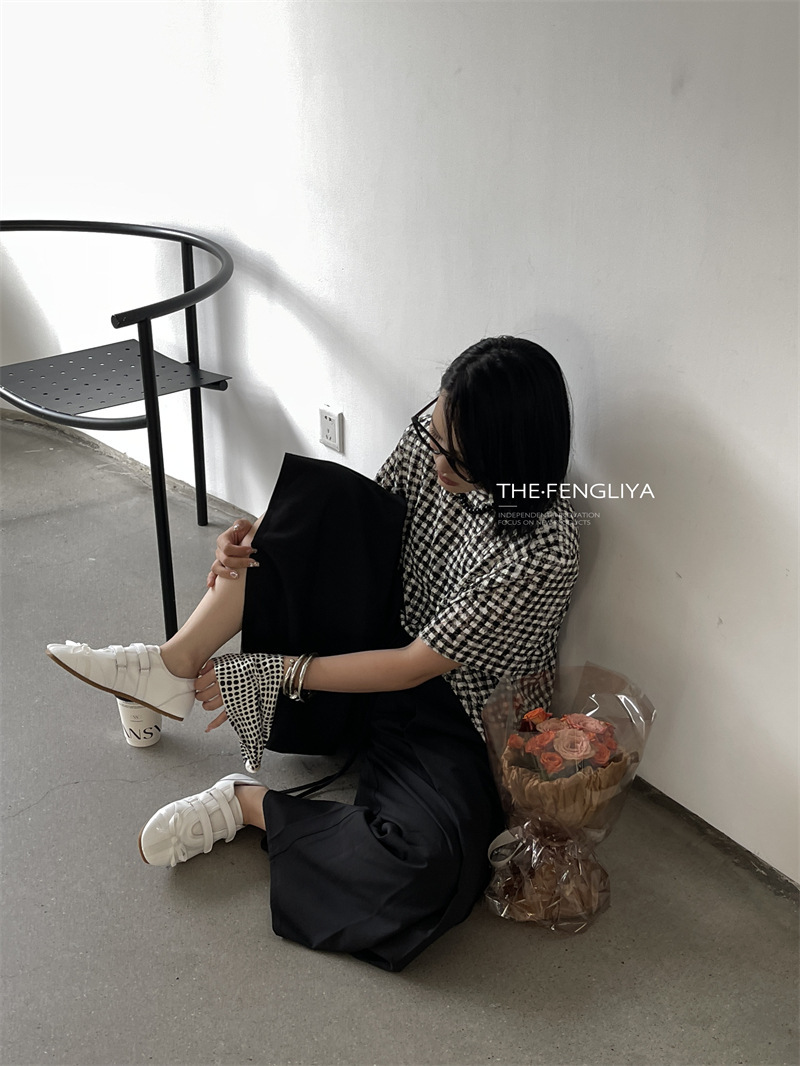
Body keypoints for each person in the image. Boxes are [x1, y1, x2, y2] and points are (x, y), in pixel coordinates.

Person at [47, 335, 580, 972]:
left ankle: (245, 804)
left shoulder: (543, 551)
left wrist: (275, 673)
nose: (437, 460)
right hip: (372, 639)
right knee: (322, 500)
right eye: (434, 434)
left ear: (511, 457)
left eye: (458, 457)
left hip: (453, 712)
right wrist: (255, 544)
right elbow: (358, 529)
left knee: (429, 870)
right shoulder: (434, 446)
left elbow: (412, 666)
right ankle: (169, 665)